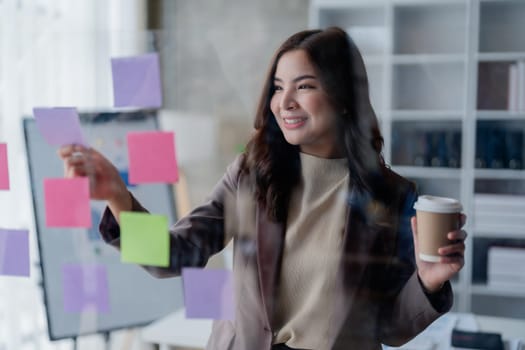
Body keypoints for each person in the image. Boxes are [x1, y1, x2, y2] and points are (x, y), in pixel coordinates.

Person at [59, 27, 467, 350]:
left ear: (344, 98)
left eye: (304, 86)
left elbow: (390, 327)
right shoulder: (251, 174)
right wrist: (118, 197)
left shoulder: (392, 196)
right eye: (277, 86)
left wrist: (428, 282)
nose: (284, 101)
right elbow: (175, 254)